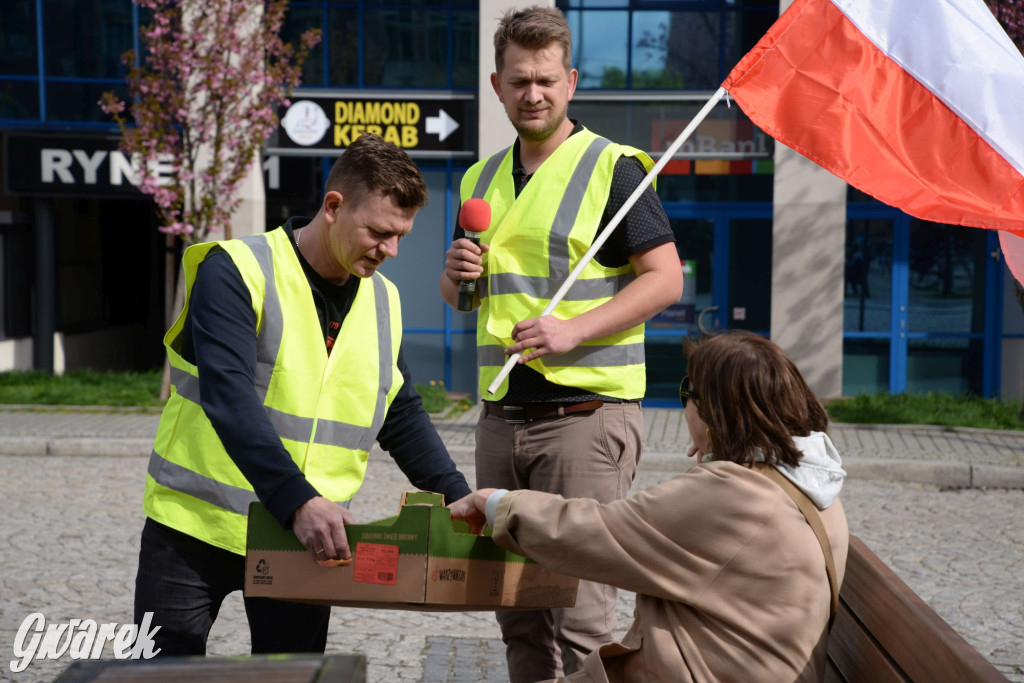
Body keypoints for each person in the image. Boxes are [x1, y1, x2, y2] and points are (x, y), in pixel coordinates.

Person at [135, 133, 472, 656]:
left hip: (306, 535)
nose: (390, 251)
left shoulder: (383, 299)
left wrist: (456, 495)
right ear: (333, 207)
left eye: (401, 235)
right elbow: (229, 395)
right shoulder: (238, 269)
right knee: (159, 672)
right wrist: (298, 501)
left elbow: (400, 411)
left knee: (292, 674)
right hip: (196, 527)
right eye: (379, 232)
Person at [439, 7, 683, 681]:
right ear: (497, 85)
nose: (533, 94)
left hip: (585, 421)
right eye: (519, 81)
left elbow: (666, 279)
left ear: (571, 82)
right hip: (501, 420)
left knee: (581, 619)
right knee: (516, 611)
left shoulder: (614, 169)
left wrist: (572, 329)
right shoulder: (478, 180)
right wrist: (455, 277)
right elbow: (464, 300)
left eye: (546, 80)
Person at [450, 331, 850, 682]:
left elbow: (597, 531)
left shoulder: (732, 494)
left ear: (714, 411)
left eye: (688, 393)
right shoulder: (810, 483)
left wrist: (496, 502)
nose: (685, 408)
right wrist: (719, 451)